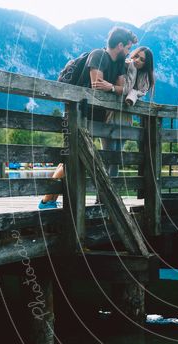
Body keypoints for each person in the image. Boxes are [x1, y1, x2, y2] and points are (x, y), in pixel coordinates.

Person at [39, 26, 138, 209]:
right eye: (128, 48)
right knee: (71, 159)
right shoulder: (98, 55)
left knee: (86, 159)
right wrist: (112, 86)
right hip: (79, 115)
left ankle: (99, 200)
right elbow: (96, 84)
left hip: (98, 118)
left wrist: (117, 83)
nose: (129, 52)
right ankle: (46, 201)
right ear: (120, 45)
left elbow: (122, 89)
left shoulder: (118, 64)